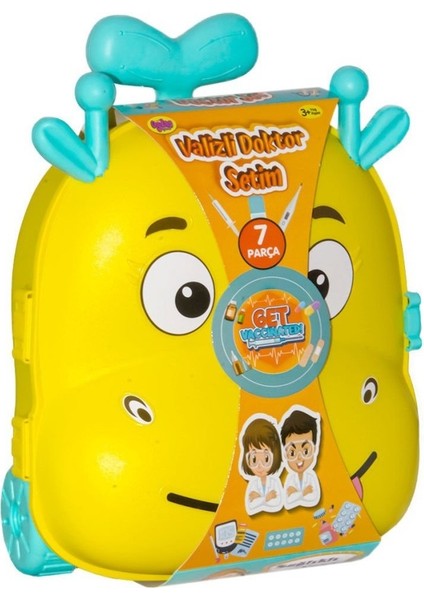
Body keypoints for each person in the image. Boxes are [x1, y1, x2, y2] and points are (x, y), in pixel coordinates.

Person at [239, 416, 284, 515]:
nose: (259, 466)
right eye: (254, 459)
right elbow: (251, 505)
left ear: (275, 455)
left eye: (266, 459)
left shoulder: (275, 482)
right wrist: (266, 498)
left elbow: (277, 503)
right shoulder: (252, 484)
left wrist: (259, 498)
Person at [280, 407, 321, 509]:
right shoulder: (290, 479)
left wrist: (297, 493)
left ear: (314, 449)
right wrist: (304, 492)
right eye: (292, 453)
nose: (299, 458)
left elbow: (313, 498)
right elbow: (289, 500)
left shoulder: (311, 477)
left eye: (305, 451)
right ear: (285, 454)